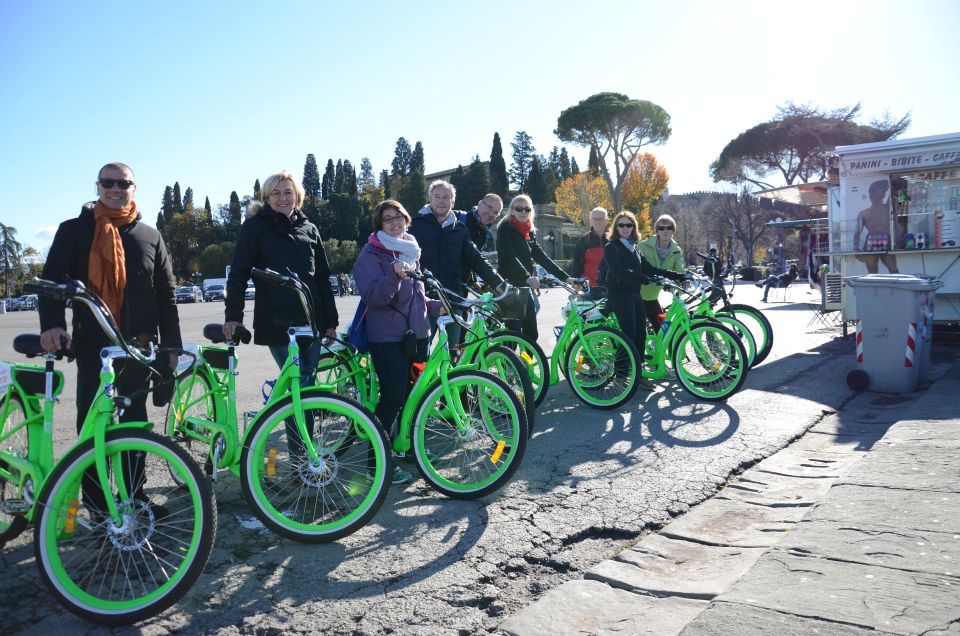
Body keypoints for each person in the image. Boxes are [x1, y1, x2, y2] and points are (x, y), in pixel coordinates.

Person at [39, 162, 182, 510]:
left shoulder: (150, 235)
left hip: (139, 345)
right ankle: (97, 502)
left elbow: (166, 293)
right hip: (92, 344)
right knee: (91, 422)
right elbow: (51, 284)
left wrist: (172, 345)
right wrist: (52, 324)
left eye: (124, 183)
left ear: (135, 188)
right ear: (98, 186)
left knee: (135, 423)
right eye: (109, 182)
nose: (116, 189)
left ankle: (134, 497)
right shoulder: (74, 230)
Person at [222, 171, 338, 455]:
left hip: (312, 320)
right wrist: (233, 316)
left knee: (307, 386)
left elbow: (322, 277)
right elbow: (238, 274)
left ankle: (305, 452)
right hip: (277, 321)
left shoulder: (309, 228)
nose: (283, 198)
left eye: (288, 192)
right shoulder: (255, 227)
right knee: (298, 382)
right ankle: (302, 457)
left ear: (297, 195)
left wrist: (331, 322)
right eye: (276, 193)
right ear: (267, 197)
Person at [353, 200, 444, 485]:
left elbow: (413, 295)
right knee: (391, 399)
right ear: (379, 225)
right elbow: (374, 297)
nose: (395, 223)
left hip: (414, 335)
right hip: (386, 338)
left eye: (399, 217)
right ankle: (376, 462)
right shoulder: (371, 255)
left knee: (411, 397)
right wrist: (393, 275)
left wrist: (434, 304)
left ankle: (404, 446)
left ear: (407, 219)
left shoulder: (410, 249)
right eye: (387, 220)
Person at [409, 180, 504, 341]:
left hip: (453, 300)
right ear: (430, 199)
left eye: (446, 197)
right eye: (437, 196)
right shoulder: (415, 226)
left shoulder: (460, 229)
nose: (441, 201)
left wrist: (499, 282)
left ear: (452, 202)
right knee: (420, 356)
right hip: (423, 300)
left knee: (454, 353)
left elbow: (476, 258)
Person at [602, 211, 685, 351]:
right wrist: (644, 279)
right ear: (616, 227)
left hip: (635, 295)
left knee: (641, 335)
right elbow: (619, 273)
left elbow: (650, 269)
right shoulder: (611, 247)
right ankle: (622, 371)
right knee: (629, 336)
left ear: (634, 228)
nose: (625, 228)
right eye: (621, 225)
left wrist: (677, 276)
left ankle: (639, 368)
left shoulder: (634, 248)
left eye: (629, 225)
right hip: (620, 297)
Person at [496, 194, 575, 341]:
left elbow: (542, 258)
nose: (523, 212)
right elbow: (510, 257)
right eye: (519, 208)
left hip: (525, 286)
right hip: (509, 287)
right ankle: (510, 363)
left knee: (531, 333)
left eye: (527, 209)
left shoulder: (529, 232)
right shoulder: (505, 229)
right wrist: (527, 276)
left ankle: (527, 363)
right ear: (512, 210)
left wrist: (565, 277)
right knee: (514, 334)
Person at [638, 214, 684, 332]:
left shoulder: (676, 251)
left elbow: (679, 272)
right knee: (637, 331)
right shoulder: (643, 245)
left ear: (673, 230)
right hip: (636, 295)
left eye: (669, 228)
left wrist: (685, 281)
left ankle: (658, 349)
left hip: (652, 297)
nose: (665, 231)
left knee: (663, 330)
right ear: (657, 230)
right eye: (661, 228)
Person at [853, 179, 900, 274]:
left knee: (893, 270)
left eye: (877, 194)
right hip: (871, 244)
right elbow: (857, 232)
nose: (874, 197)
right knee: (873, 272)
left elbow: (894, 198)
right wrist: (855, 247)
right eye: (873, 194)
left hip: (887, 242)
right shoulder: (864, 213)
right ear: (870, 195)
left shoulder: (887, 208)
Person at [571, 207, 609, 289]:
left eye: (601, 219)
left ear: (606, 221)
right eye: (595, 219)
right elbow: (576, 268)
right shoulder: (583, 241)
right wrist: (578, 292)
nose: (598, 222)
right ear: (591, 221)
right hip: (589, 289)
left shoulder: (614, 240)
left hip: (612, 289)